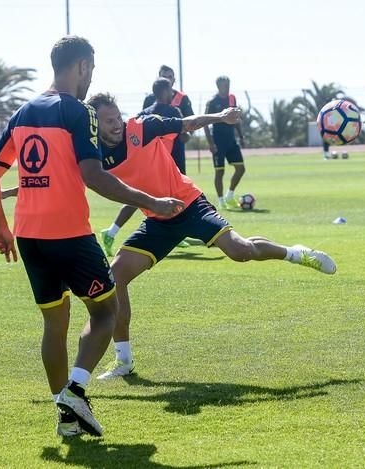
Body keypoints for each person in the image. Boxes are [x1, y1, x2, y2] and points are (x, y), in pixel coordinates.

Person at [0, 36, 182, 437]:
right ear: (84, 66)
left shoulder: (22, 113)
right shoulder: (79, 111)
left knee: (54, 325)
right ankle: (75, 390)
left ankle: (66, 420)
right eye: (92, 71)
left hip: (29, 237)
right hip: (70, 234)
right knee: (105, 313)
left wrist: (1, 226)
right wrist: (153, 202)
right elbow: (94, 176)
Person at [85, 93, 337, 379]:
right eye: (108, 121)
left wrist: (220, 117)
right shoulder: (91, 152)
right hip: (157, 220)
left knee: (240, 251)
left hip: (189, 204)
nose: (116, 124)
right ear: (95, 124)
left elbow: (187, 123)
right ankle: (124, 361)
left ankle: (296, 253)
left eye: (117, 116)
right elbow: (66, 173)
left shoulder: (141, 128)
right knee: (116, 276)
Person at [99, 77, 190, 256]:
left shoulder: (145, 112)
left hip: (147, 160)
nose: (172, 94)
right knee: (162, 195)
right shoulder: (173, 110)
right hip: (165, 160)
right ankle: (179, 229)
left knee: (140, 197)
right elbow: (184, 135)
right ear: (165, 92)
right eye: (170, 90)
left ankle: (112, 232)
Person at [204, 76, 246, 210]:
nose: (227, 88)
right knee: (219, 172)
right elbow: (204, 123)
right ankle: (221, 201)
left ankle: (229, 195)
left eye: (228, 85)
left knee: (241, 169)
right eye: (224, 85)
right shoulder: (212, 102)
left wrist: (241, 136)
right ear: (218, 86)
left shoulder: (232, 98)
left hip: (231, 140)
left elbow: (236, 119)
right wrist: (211, 143)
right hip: (218, 141)